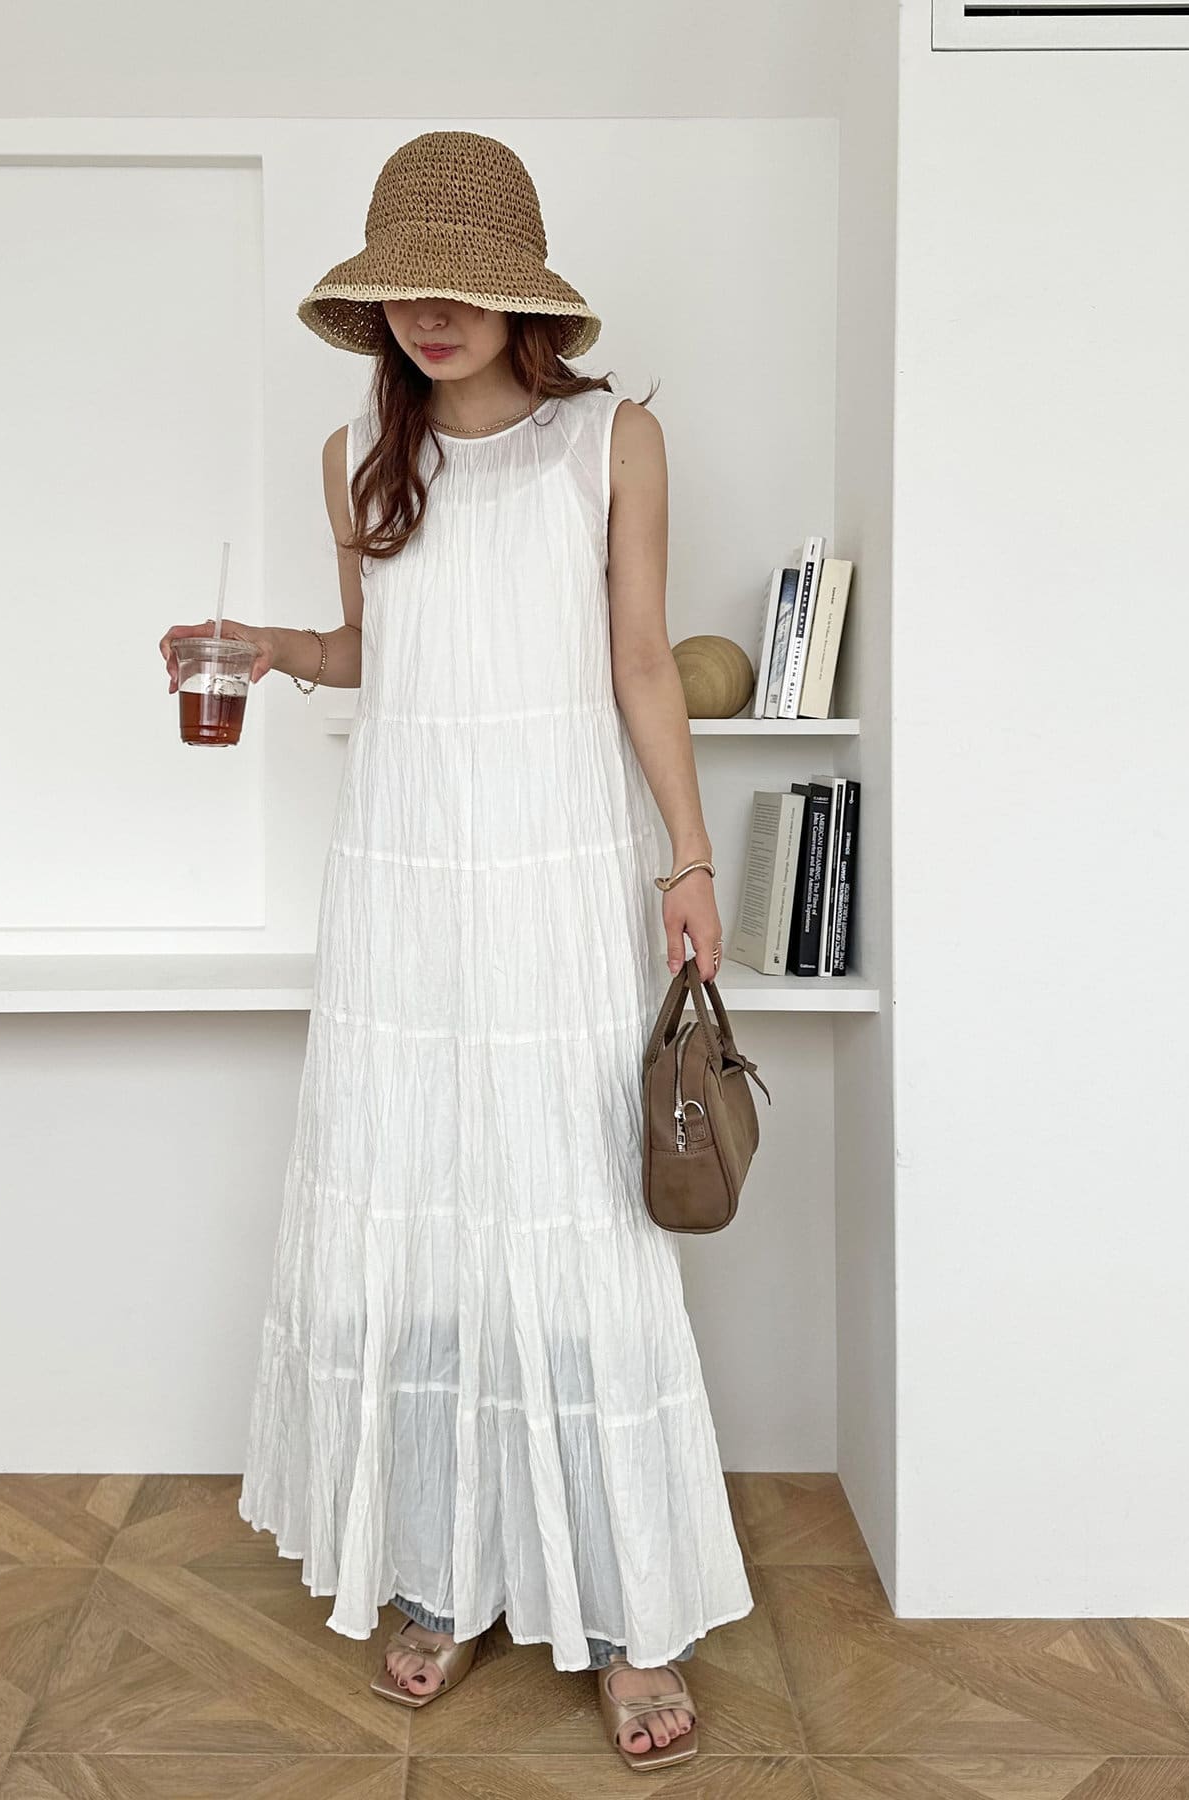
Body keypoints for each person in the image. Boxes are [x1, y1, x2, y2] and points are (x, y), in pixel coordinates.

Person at [159, 130, 753, 1772]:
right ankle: (444, 1568)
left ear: (521, 297)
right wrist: (264, 647)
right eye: (403, 287)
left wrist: (689, 858)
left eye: (463, 284)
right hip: (406, 883)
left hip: (558, 877)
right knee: (423, 1222)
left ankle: (631, 1613)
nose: (430, 313)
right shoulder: (358, 452)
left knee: (576, 1222)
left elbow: (642, 663)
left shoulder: (611, 441)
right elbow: (377, 648)